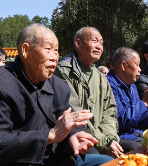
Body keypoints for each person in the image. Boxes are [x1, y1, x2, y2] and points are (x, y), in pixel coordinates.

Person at [0, 24, 113, 166]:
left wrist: (73, 135)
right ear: (25, 50)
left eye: (57, 50)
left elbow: (66, 119)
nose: (55, 57)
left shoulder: (58, 85)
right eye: (49, 49)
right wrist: (48, 136)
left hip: (50, 163)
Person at [54, 26, 141, 156]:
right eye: (94, 41)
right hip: (76, 136)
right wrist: (105, 143)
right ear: (78, 43)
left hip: (102, 138)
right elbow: (76, 113)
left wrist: (110, 139)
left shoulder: (100, 77)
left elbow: (109, 112)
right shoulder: (64, 71)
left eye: (101, 43)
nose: (99, 46)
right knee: (102, 163)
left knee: (139, 150)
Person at [106, 47, 148, 142]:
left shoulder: (132, 85)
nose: (140, 69)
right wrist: (144, 103)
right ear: (124, 65)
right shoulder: (108, 85)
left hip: (137, 133)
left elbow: (141, 122)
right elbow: (119, 122)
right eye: (137, 65)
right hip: (119, 137)